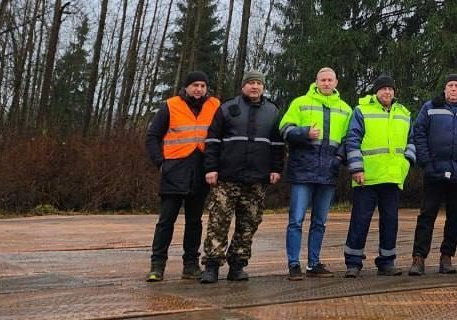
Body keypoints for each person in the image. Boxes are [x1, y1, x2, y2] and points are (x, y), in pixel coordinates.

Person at [200, 69, 284, 284]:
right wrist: (211, 168)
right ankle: (211, 265)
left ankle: (237, 265)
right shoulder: (227, 108)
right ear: (243, 86)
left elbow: (277, 144)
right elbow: (212, 141)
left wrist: (276, 169)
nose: (254, 87)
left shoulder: (273, 111)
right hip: (227, 177)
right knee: (218, 222)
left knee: (249, 223)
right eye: (251, 83)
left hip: (257, 178)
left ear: (263, 87)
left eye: (258, 83)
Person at [144, 70, 220, 282]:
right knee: (166, 221)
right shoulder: (170, 105)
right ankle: (157, 266)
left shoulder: (215, 105)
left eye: (203, 86)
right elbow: (152, 136)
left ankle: (191, 265)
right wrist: (160, 163)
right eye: (195, 85)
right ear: (186, 87)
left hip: (201, 171)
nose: (199, 89)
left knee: (194, 221)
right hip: (174, 171)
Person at [408, 73, 457, 276]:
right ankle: (419, 258)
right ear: (444, 89)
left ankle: (447, 257)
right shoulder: (429, 108)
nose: (453, 89)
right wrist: (426, 162)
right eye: (450, 85)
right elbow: (419, 134)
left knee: (456, 217)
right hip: (434, 173)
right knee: (427, 215)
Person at [279, 66, 353, 280]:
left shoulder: (346, 109)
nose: (327, 83)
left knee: (320, 221)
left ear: (336, 82)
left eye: (330, 80)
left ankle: (314, 262)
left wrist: (338, 159)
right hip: (302, 169)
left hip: (328, 172)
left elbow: (349, 139)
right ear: (316, 81)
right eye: (323, 80)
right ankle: (294, 263)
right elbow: (284, 128)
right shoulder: (300, 103)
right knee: (296, 220)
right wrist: (303, 133)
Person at [341, 74, 415, 278]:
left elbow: (412, 141)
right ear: (376, 91)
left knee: (390, 221)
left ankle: (387, 261)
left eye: (390, 89)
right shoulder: (362, 111)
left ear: (394, 92)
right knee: (360, 220)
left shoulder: (404, 113)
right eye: (383, 89)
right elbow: (352, 140)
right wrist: (356, 169)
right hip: (367, 177)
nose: (387, 92)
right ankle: (353, 262)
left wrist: (406, 163)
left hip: (392, 177)